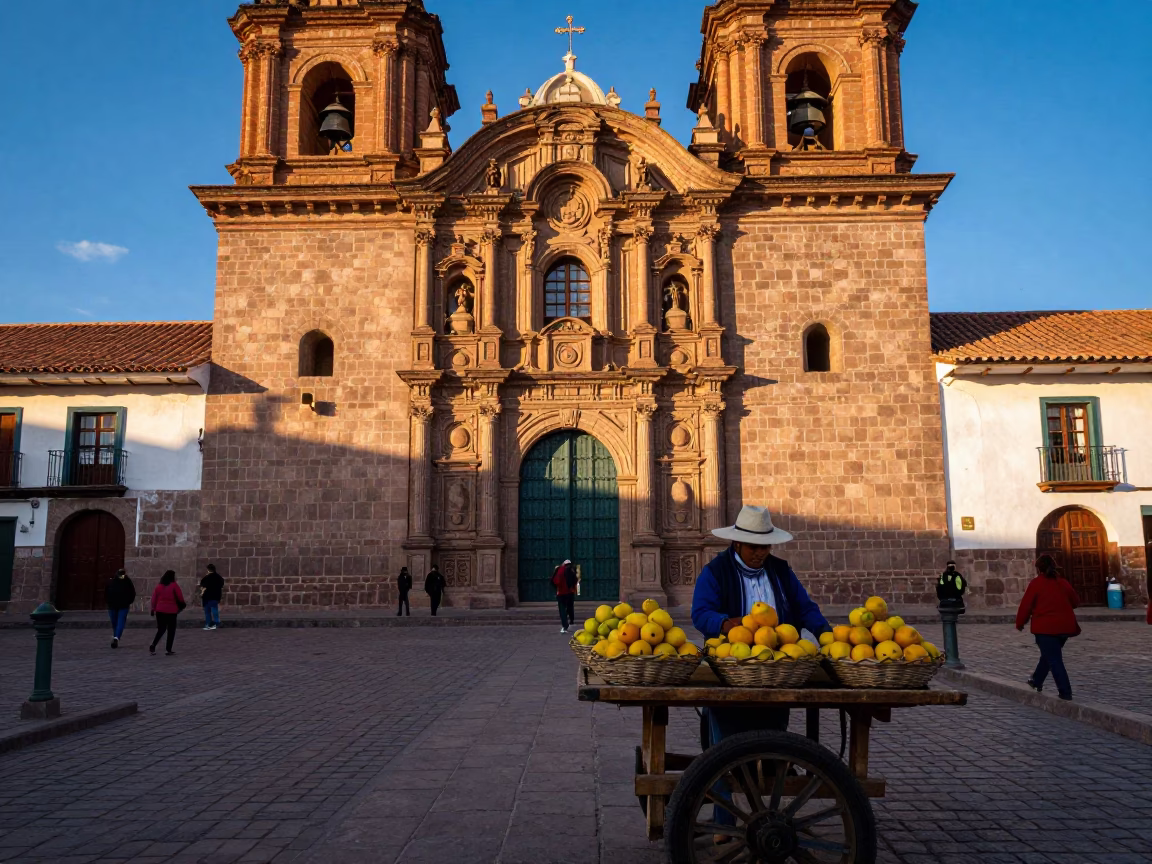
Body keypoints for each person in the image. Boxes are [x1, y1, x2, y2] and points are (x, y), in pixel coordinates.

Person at [691, 505, 832, 831]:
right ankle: (724, 826)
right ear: (738, 544)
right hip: (730, 671)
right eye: (754, 547)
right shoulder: (715, 572)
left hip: (777, 671)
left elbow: (804, 608)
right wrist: (727, 624)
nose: (760, 553)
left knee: (773, 745)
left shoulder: (781, 572)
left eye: (765, 547)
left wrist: (826, 633)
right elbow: (701, 613)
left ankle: (770, 819)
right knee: (724, 753)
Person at [1015, 554, 1080, 701]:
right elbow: (1075, 601)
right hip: (1064, 628)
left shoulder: (1036, 584)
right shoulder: (1062, 583)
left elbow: (1026, 606)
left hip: (1045, 628)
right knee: (1049, 655)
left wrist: (1020, 623)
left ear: (1038, 569)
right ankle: (1036, 681)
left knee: (1054, 659)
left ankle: (1065, 692)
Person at [149, 570, 186, 656]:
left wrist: (153, 609)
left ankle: (153, 645)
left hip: (160, 610)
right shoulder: (174, 586)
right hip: (171, 611)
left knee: (161, 629)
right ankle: (168, 649)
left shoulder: (159, 586)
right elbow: (180, 597)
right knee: (171, 630)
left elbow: (154, 599)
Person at [106, 568, 136, 649]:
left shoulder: (113, 581)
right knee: (119, 622)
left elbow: (106, 592)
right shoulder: (126, 581)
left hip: (115, 605)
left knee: (116, 622)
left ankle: (116, 637)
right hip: (120, 605)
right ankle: (116, 637)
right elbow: (132, 592)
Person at [552, 559, 578, 633]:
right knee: (570, 607)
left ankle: (565, 625)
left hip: (561, 593)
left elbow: (555, 581)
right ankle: (571, 620)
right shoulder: (572, 570)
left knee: (562, 609)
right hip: (570, 593)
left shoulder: (560, 570)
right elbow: (575, 580)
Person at [199, 564, 225, 631]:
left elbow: (203, 586)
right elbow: (222, 584)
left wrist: (202, 593)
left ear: (208, 570)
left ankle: (208, 624)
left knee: (207, 612)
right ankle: (217, 623)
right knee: (214, 610)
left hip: (207, 596)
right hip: (215, 596)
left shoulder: (206, 578)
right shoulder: (219, 577)